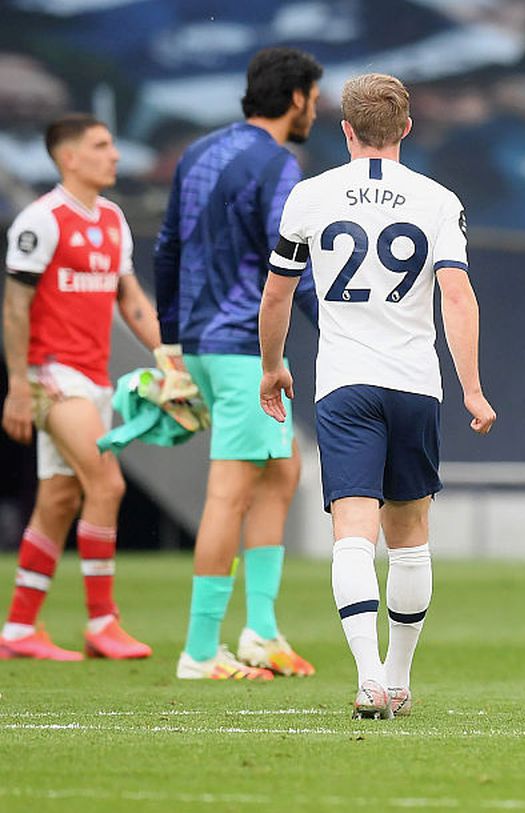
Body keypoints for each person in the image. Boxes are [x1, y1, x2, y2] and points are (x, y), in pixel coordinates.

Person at [259, 72, 496, 718]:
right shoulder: (437, 200)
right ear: (407, 129)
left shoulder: (310, 196)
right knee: (411, 532)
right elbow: (457, 294)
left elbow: (278, 294)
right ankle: (397, 676)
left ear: (346, 129)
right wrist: (472, 388)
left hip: (345, 383)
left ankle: (367, 676)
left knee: (352, 534)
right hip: (415, 383)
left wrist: (273, 366)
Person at [154, 47, 323, 681]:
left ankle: (262, 632)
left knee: (282, 472)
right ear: (297, 97)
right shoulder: (278, 163)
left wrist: (172, 341)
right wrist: (335, 329)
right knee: (229, 496)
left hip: (201, 342)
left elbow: (168, 245)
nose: (316, 107)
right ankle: (200, 651)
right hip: (237, 350)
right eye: (313, 96)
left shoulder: (198, 152)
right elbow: (290, 266)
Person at [1, 114, 164, 660]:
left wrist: (168, 355)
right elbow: (15, 307)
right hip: (51, 375)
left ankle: (20, 629)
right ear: (68, 158)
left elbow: (132, 299)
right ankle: (102, 621)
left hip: (95, 378)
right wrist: (19, 386)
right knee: (108, 484)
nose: (114, 155)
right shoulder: (41, 219)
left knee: (59, 498)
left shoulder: (113, 219)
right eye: (101, 145)